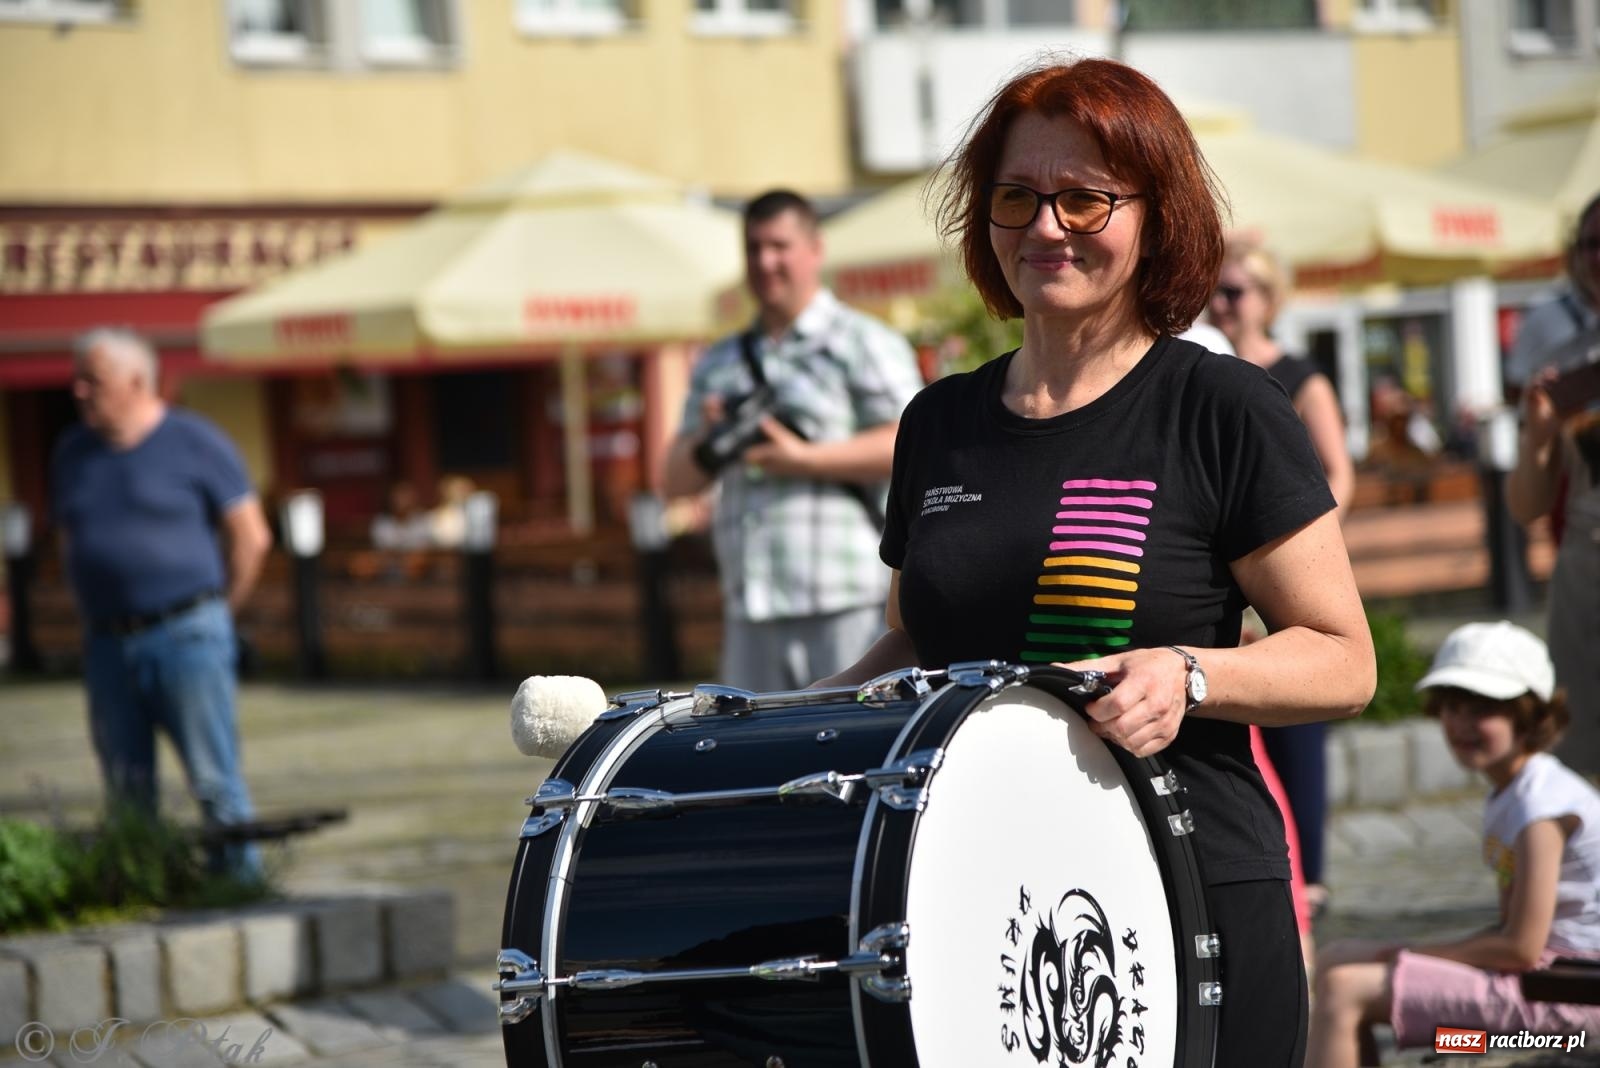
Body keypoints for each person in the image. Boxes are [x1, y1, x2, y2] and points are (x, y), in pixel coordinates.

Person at [817, 58, 1376, 1065]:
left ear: (1154, 214)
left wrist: (1193, 672)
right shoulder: (937, 422)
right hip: (975, 903)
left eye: (1084, 198)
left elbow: (1344, 659)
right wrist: (790, 726)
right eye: (1017, 197)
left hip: (1184, 892)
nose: (1046, 226)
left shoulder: (1221, 408)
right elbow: (912, 634)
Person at [663, 189, 924, 692]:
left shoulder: (861, 342)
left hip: (845, 600)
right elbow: (673, 481)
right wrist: (710, 440)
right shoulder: (721, 360)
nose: (765, 261)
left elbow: (915, 445)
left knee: (850, 754)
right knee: (758, 762)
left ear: (814, 249)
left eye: (779, 246)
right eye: (754, 248)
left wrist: (804, 459)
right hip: (750, 606)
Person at [1307, 621, 1600, 1068]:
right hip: (1544, 982)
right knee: (1334, 960)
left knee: (1347, 989)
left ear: (1530, 714)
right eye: (1451, 706)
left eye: (1482, 709)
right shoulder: (1516, 790)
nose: (1460, 724)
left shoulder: (1542, 808)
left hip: (1571, 1008)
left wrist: (1405, 954)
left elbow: (1520, 947)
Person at [51, 328, 273, 879]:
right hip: (106, 639)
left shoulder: (195, 441)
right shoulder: (71, 453)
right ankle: (144, 885)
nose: (77, 390)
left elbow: (251, 536)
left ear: (136, 382)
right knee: (125, 785)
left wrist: (220, 612)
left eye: (91, 380)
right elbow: (69, 538)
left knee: (213, 778)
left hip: (186, 633)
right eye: (76, 379)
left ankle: (239, 888)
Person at [1209, 236, 1356, 919]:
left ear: (1269, 300)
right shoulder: (1203, 373)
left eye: (1235, 291)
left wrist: (1295, 550)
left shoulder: (1298, 375)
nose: (1221, 303)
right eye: (1216, 290)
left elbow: (1336, 472)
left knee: (1297, 724)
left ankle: (1314, 874)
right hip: (1226, 571)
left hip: (1281, 566)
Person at [1506, 192, 1600, 781]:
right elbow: (1526, 505)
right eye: (1592, 243)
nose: (1599, 257)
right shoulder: (1564, 357)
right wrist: (1539, 435)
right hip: (1587, 575)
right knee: (1586, 764)